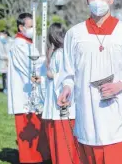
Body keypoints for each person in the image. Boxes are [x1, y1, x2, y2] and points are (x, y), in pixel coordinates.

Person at [57, 0, 122, 164]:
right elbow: (67, 70)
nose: (98, 2)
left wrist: (120, 85)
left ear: (111, 0)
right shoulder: (75, 34)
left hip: (119, 113)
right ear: (87, 0)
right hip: (88, 114)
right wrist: (66, 87)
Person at [7, 13, 50, 163]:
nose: (33, 30)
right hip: (24, 94)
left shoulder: (28, 44)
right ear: (21, 27)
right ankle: (29, 159)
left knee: (37, 128)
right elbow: (31, 65)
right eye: (30, 27)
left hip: (32, 93)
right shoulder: (19, 45)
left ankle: (38, 157)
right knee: (28, 130)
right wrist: (48, 59)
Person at [42, 23, 78, 164]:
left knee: (64, 143)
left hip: (62, 104)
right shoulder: (62, 52)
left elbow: (67, 77)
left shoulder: (61, 53)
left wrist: (53, 76)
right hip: (57, 103)